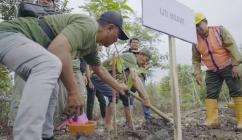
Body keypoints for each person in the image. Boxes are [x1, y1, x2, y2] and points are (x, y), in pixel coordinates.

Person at [0, 11, 129, 140]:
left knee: (52, 85)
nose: (116, 40)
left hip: (20, 43)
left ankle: (45, 135)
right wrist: (73, 91)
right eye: (117, 35)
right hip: (9, 34)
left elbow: (99, 69)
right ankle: (27, 136)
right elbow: (58, 50)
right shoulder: (89, 25)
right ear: (110, 27)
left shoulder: (91, 45)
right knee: (50, 64)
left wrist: (118, 87)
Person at [192, 12, 242, 130]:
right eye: (195, 26)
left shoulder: (219, 30)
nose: (198, 28)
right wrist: (197, 73)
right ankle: (213, 121)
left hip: (228, 65)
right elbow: (196, 59)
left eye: (199, 24)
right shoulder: (195, 41)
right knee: (210, 94)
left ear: (205, 22)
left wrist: (236, 64)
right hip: (212, 70)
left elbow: (232, 46)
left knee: (237, 91)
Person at [92, 48, 152, 131]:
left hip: (111, 79)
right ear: (141, 54)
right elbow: (134, 78)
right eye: (146, 60)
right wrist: (146, 98)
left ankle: (130, 126)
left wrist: (128, 89)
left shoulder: (133, 64)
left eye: (147, 62)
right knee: (114, 96)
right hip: (98, 76)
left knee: (127, 98)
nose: (145, 63)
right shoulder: (131, 57)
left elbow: (128, 78)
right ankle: (107, 125)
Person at [123, 37, 153, 121]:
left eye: (137, 42)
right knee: (129, 98)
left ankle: (148, 118)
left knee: (143, 95)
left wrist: (147, 66)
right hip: (130, 77)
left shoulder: (143, 53)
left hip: (141, 77)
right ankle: (130, 120)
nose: (135, 44)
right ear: (130, 44)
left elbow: (148, 64)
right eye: (134, 42)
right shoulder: (127, 53)